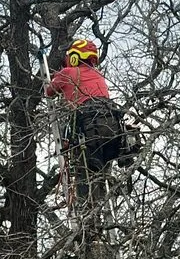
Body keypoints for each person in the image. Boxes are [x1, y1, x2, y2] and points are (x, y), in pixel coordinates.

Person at [45, 38, 123, 201]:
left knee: (85, 175)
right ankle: (102, 203)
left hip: (87, 130)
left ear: (74, 57)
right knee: (100, 174)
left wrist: (56, 76)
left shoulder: (68, 73)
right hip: (111, 128)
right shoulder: (98, 74)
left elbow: (49, 91)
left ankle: (86, 208)